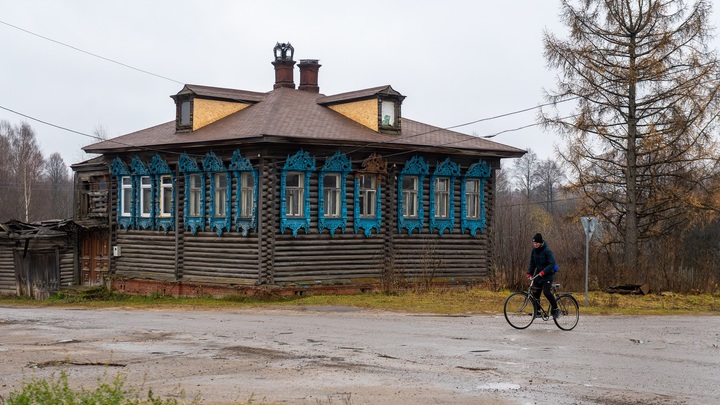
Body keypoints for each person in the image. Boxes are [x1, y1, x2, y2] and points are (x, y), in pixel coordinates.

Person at [526, 233, 560, 319]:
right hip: (539, 274)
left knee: (546, 292)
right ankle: (537, 311)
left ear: (540, 243)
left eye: (536, 243)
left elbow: (551, 264)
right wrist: (529, 273)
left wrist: (543, 272)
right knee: (535, 291)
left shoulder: (547, 250)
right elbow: (532, 263)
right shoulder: (534, 251)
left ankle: (556, 309)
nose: (535, 245)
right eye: (534, 243)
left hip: (548, 274)